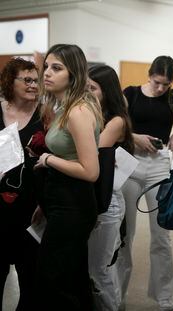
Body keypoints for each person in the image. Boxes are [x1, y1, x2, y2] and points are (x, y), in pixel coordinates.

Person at [119, 55, 173, 310]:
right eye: (158, 82)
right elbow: (114, 120)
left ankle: (164, 296)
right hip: (130, 162)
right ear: (149, 75)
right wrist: (134, 136)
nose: (161, 88)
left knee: (162, 235)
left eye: (166, 84)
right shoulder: (131, 93)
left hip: (159, 164)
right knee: (125, 234)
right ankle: (118, 295)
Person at [34, 44, 103, 310]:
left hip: (73, 203)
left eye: (56, 68)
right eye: (47, 67)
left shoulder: (77, 111)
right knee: (71, 278)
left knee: (54, 280)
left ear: (73, 74)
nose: (47, 74)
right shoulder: (66, 106)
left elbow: (90, 171)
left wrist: (48, 159)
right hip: (63, 199)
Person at [87, 64, 134, 311]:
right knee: (94, 268)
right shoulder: (91, 113)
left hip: (108, 201)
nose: (87, 92)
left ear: (107, 90)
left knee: (99, 269)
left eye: (92, 88)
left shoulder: (116, 121)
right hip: (92, 196)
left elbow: (92, 151)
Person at [0, 58, 44, 310]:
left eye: (35, 80)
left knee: (30, 277)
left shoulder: (45, 114)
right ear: (10, 81)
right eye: (26, 80)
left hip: (31, 207)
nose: (32, 85)